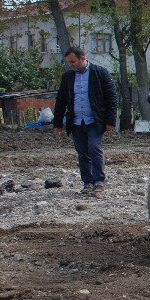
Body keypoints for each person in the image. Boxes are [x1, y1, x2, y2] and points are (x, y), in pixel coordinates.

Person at [53, 46, 119, 197]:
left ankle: (99, 182)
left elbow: (112, 98)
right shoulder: (68, 77)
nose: (71, 64)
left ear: (82, 58)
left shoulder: (100, 73)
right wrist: (57, 123)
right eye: (69, 62)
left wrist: (110, 120)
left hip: (95, 121)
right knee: (82, 152)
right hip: (76, 121)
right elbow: (61, 101)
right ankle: (87, 183)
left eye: (73, 61)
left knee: (94, 148)